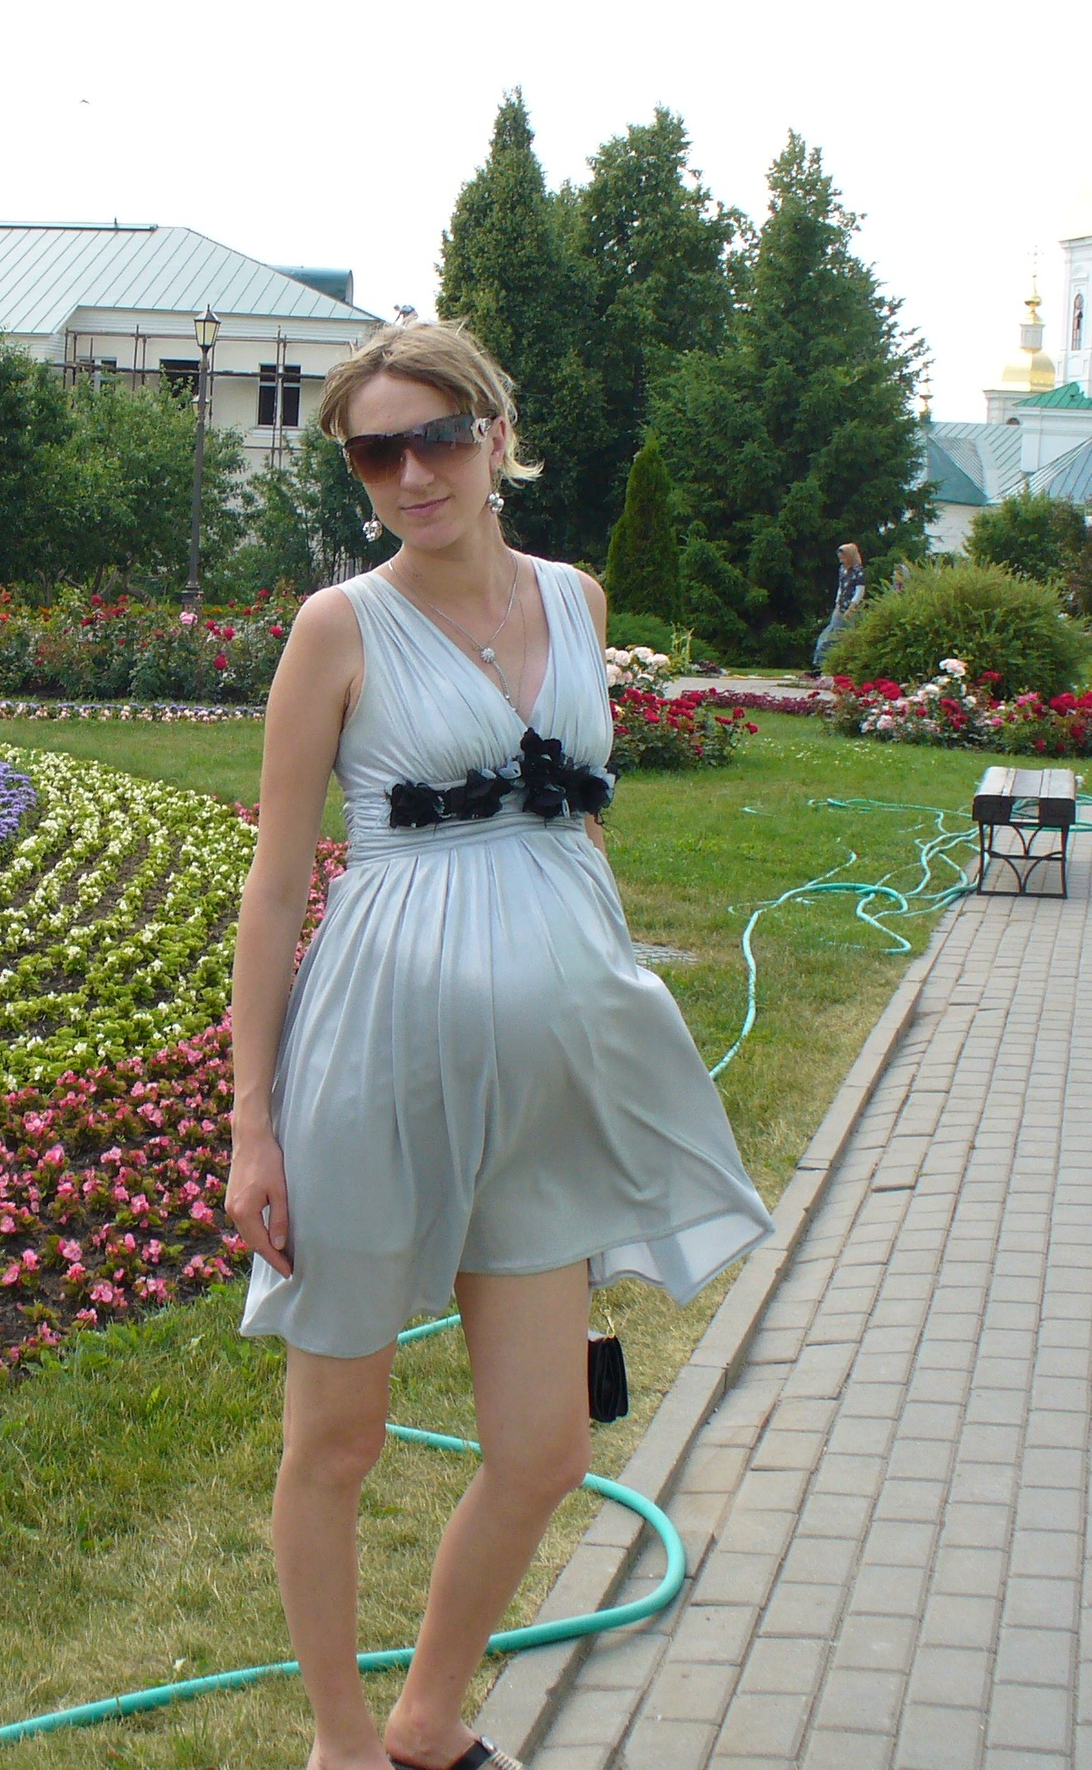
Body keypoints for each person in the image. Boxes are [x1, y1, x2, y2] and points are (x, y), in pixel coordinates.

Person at [227, 319, 773, 1770]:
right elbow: (276, 884)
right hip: (374, 1072)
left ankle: (426, 1717)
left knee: (545, 1449)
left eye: (437, 437)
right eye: (376, 452)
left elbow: (574, 831)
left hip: (544, 1085)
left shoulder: (576, 602)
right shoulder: (339, 627)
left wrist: (599, 1012)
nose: (412, 474)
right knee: (337, 1438)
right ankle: (344, 1744)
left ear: (496, 436)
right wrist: (250, 1123)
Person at [806, 542, 865, 679]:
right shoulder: (842, 570)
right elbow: (841, 587)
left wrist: (851, 608)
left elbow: (859, 592)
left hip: (851, 610)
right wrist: (837, 602)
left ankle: (840, 667)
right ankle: (821, 665)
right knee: (828, 635)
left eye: (843, 557)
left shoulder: (859, 572)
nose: (841, 560)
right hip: (840, 607)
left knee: (844, 638)